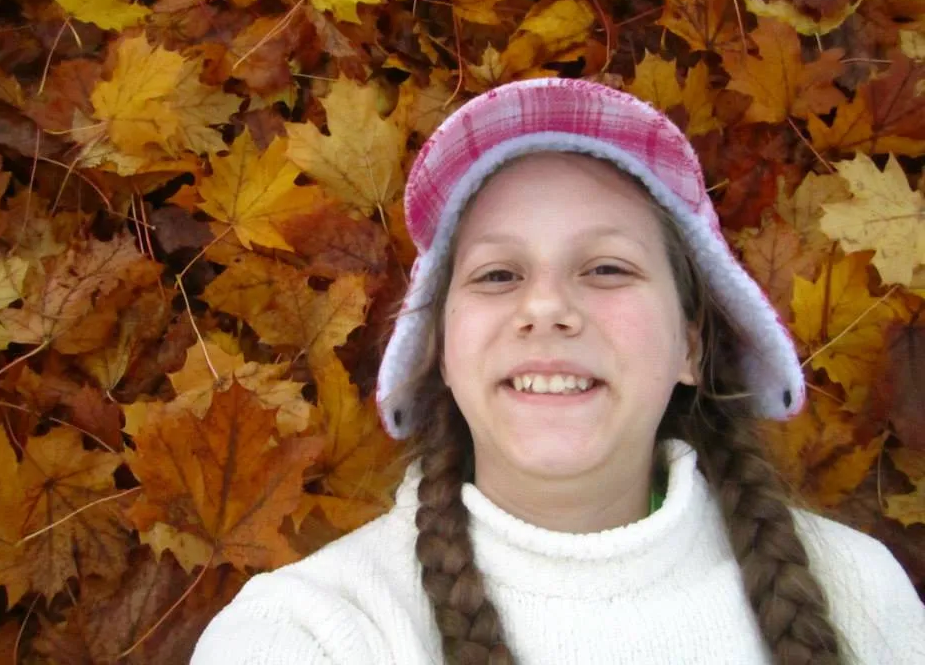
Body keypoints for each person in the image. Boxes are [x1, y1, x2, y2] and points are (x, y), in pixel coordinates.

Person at [191, 77, 924, 664]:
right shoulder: (309, 633)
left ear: (691, 347)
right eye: (499, 275)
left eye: (606, 267)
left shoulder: (858, 591)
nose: (545, 307)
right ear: (441, 349)